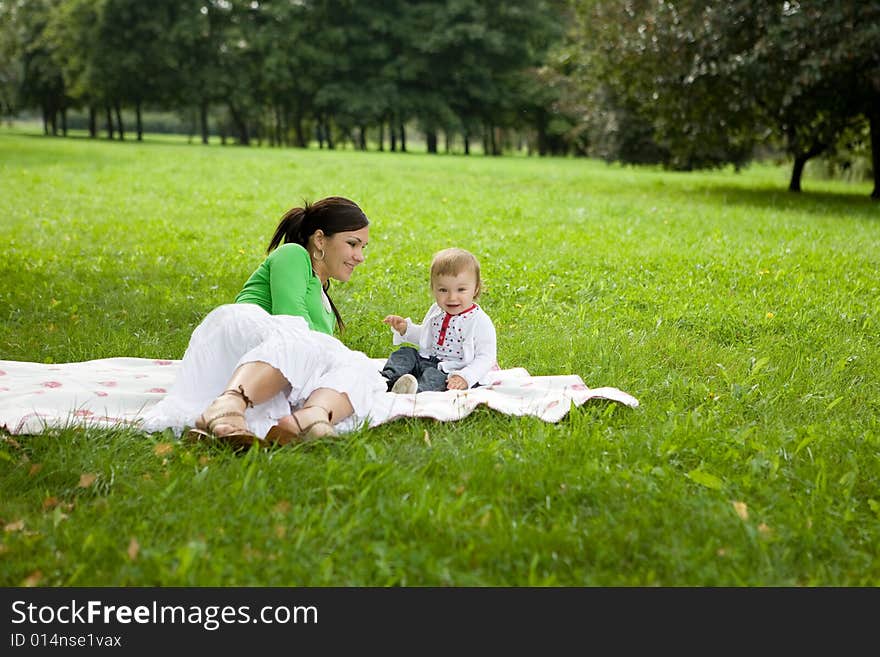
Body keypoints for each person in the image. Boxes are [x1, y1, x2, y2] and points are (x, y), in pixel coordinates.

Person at [140, 196, 387, 449]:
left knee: (361, 366)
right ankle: (227, 405)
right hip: (242, 339)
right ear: (320, 239)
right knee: (301, 338)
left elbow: (320, 356)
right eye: (353, 244)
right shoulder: (293, 255)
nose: (360, 257)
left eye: (363, 247)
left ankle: (310, 417)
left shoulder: (323, 299)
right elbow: (289, 321)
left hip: (275, 368)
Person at [380, 247, 497, 394]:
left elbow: (486, 357)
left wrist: (465, 377)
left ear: (475, 289)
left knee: (434, 378)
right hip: (426, 360)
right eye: (443, 290)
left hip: (452, 370)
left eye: (461, 290)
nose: (452, 297)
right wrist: (405, 329)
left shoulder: (478, 321)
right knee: (405, 353)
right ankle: (386, 379)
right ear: (433, 289)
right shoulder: (437, 310)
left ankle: (414, 391)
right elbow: (427, 336)